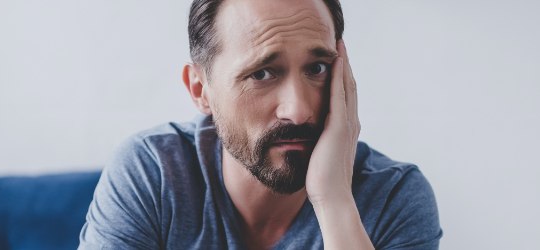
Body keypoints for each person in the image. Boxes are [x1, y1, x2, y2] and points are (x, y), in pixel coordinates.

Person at [78, 0, 443, 249]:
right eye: (263, 73)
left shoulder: (394, 196)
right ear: (200, 89)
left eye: (317, 69)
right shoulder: (153, 173)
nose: (298, 111)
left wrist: (333, 201)